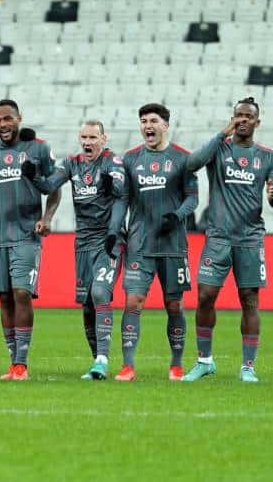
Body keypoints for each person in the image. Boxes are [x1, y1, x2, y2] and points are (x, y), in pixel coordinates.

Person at [181, 97, 273, 383]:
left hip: (250, 239)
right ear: (232, 118)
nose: (242, 120)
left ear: (257, 122)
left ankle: (248, 367)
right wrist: (221, 134)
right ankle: (204, 361)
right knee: (205, 296)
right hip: (218, 237)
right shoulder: (219, 149)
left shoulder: (267, 156)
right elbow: (191, 164)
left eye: (248, 116)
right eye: (238, 115)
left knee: (249, 300)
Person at [0, 100, 61, 380]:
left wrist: (47, 218)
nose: (2, 124)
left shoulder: (39, 148)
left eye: (7, 118)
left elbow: (54, 187)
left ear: (19, 118)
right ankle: (13, 363)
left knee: (21, 292)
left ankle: (21, 364)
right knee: (4, 298)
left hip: (26, 233)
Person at [33, 119, 127, 380]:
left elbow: (121, 190)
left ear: (103, 139)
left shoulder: (112, 162)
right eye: (84, 137)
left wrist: (111, 185)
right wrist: (33, 174)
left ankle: (102, 360)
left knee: (100, 292)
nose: (87, 142)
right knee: (87, 305)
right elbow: (49, 186)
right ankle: (97, 361)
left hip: (109, 240)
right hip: (83, 243)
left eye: (93, 138)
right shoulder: (71, 163)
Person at [116, 103, 198, 382]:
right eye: (143, 121)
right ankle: (127, 366)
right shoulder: (130, 158)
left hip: (173, 244)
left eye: (152, 121)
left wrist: (178, 215)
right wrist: (116, 229)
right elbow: (123, 199)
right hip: (140, 243)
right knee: (133, 302)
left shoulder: (183, 158)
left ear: (165, 125)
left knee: (174, 305)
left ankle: (176, 364)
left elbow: (193, 198)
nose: (147, 126)